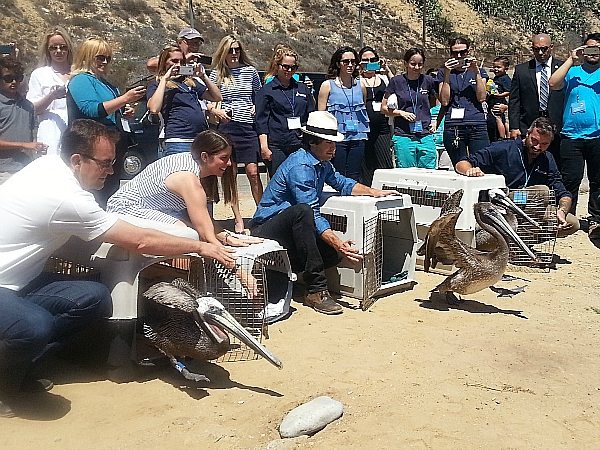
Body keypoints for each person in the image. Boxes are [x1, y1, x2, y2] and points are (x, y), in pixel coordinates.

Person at [0, 119, 234, 418]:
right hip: (5, 285)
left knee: (93, 296)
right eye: (106, 164)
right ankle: (6, 385)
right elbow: (140, 240)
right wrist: (201, 246)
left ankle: (29, 360)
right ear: (76, 160)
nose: (111, 171)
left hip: (19, 280)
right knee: (34, 326)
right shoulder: (69, 198)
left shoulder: (47, 167)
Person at [249, 111, 397, 315]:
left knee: (330, 253)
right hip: (267, 229)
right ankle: (315, 290)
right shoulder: (301, 166)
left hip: (288, 231)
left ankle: (285, 273)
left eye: (333, 142)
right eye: (328, 142)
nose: (333, 147)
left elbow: (341, 182)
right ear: (313, 142)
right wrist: (338, 242)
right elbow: (310, 211)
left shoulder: (321, 163)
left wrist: (374, 192)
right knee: (303, 213)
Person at [107, 129, 255, 248]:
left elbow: (204, 222)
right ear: (205, 157)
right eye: (223, 158)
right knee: (187, 234)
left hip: (153, 208)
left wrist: (228, 237)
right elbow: (206, 234)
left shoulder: (193, 162)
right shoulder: (188, 179)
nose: (229, 163)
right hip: (126, 209)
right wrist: (230, 256)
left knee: (188, 230)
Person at [457, 117, 578, 237]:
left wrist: (562, 211)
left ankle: (519, 246)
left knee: (572, 223)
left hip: (529, 208)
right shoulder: (504, 149)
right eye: (534, 141)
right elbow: (461, 163)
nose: (538, 147)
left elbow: (563, 193)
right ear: (528, 134)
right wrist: (470, 170)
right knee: (542, 192)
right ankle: (510, 244)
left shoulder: (547, 159)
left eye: (544, 144)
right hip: (501, 203)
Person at [67, 37, 146, 206]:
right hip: (89, 146)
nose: (104, 62)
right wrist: (125, 98)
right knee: (92, 193)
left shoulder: (107, 84)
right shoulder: (81, 79)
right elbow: (92, 110)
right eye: (99, 57)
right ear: (87, 56)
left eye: (107, 58)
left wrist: (123, 110)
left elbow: (109, 108)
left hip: (109, 144)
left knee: (108, 190)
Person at [548, 33, 600, 244]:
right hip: (571, 135)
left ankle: (596, 220)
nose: (593, 53)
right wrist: (571, 59)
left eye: (597, 49)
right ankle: (568, 217)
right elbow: (553, 82)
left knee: (598, 180)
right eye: (589, 48)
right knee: (570, 179)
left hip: (597, 136)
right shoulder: (573, 72)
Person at [209, 36, 263, 204]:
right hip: (227, 126)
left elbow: (259, 94)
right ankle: (237, 217)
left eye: (237, 50)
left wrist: (256, 106)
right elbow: (206, 98)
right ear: (223, 52)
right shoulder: (217, 73)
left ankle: (263, 213)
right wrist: (215, 110)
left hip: (247, 126)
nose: (234, 53)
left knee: (253, 172)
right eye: (230, 50)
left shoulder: (250, 71)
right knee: (230, 174)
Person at [146, 44, 222, 156]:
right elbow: (154, 108)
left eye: (181, 61)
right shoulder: (157, 84)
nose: (177, 64)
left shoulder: (189, 82)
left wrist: (203, 76)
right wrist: (165, 79)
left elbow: (217, 97)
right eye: (174, 61)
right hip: (178, 140)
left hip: (199, 139)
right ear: (164, 62)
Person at [256, 46, 314, 177]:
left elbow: (311, 114)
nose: (289, 70)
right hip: (277, 145)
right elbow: (261, 121)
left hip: (299, 143)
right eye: (285, 66)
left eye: (293, 68)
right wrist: (264, 147)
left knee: (300, 179)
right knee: (279, 182)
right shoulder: (267, 90)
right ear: (277, 66)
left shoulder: (302, 88)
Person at [509, 33, 565, 162]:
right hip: (529, 124)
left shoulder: (563, 68)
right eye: (536, 49)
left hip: (557, 126)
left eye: (544, 48)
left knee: (556, 163)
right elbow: (514, 100)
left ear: (551, 47)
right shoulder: (521, 70)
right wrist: (514, 127)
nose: (540, 52)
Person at [318, 46, 369, 182]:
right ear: (338, 64)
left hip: (357, 137)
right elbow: (321, 115)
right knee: (336, 174)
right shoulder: (327, 86)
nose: (350, 65)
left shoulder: (361, 85)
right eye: (346, 61)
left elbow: (362, 109)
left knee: (354, 174)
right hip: (337, 138)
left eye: (353, 61)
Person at [437, 37, 489, 169]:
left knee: (480, 164)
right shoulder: (443, 72)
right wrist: (447, 73)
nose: (459, 56)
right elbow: (444, 100)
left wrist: (476, 72)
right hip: (454, 126)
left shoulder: (479, 71)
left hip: (476, 123)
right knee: (460, 166)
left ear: (468, 51)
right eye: (454, 53)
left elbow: (482, 97)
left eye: (462, 52)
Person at [383, 47, 437, 169]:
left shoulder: (428, 80)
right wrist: (400, 113)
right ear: (406, 63)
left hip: (425, 134)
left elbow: (440, 102)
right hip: (403, 135)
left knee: (429, 171)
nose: (416, 68)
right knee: (406, 174)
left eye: (420, 64)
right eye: (413, 64)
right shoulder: (396, 81)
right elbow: (384, 108)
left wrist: (436, 122)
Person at [26, 26, 73, 156]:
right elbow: (32, 109)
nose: (59, 51)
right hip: (50, 133)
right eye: (54, 47)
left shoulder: (78, 73)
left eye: (63, 47)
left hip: (76, 133)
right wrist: (52, 96)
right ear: (48, 50)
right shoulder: (40, 74)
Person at [0, 56, 46, 184]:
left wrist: (37, 147)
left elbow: (32, 136)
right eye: (8, 78)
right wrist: (23, 145)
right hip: (3, 171)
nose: (14, 82)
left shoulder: (28, 106)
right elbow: (26, 144)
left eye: (18, 78)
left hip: (25, 169)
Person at [358, 46, 392, 185]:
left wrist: (386, 68)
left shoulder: (383, 78)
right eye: (365, 60)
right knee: (366, 162)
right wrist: (359, 71)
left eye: (373, 60)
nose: (369, 63)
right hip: (364, 126)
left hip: (383, 127)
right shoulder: (357, 80)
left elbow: (396, 85)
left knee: (385, 160)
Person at [486, 56, 511, 141]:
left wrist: (499, 95)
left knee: (498, 118)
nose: (496, 69)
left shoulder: (505, 79)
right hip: (493, 101)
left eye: (498, 67)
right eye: (494, 67)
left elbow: (509, 91)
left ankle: (502, 136)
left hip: (499, 102)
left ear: (506, 68)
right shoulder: (497, 78)